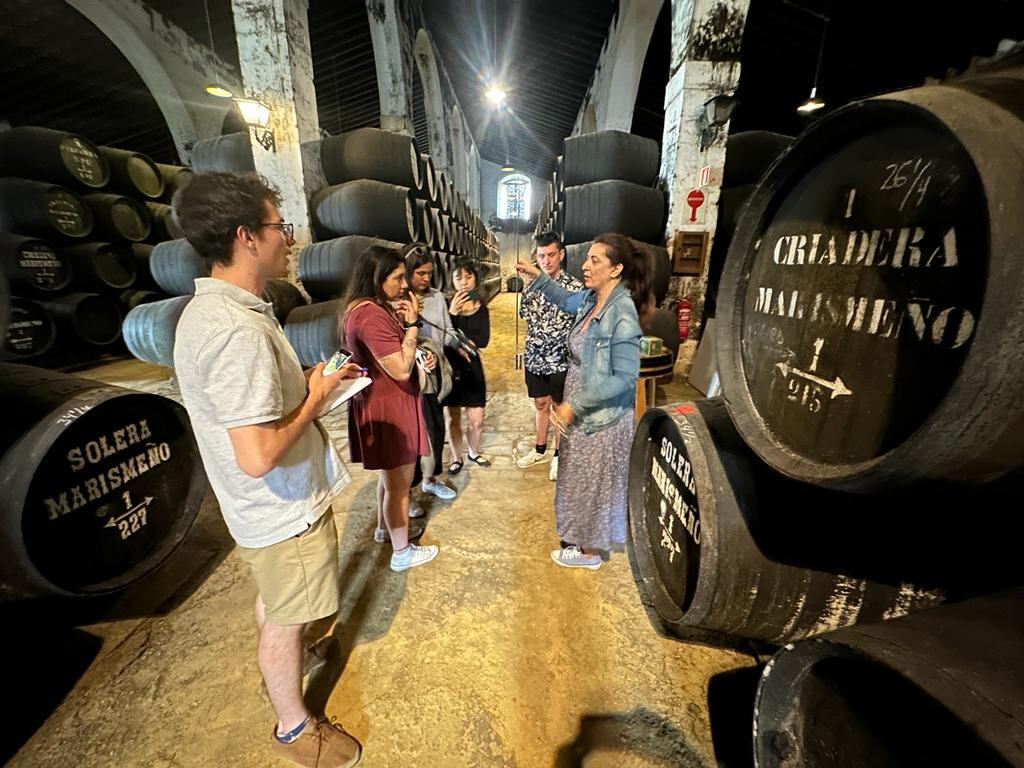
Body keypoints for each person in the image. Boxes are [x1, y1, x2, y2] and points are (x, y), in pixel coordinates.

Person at [172, 171, 363, 768]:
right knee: (288, 614)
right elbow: (257, 456)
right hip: (281, 507)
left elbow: (252, 420)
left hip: (262, 512)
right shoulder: (235, 332)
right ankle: (294, 727)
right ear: (245, 236)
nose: (288, 238)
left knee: (278, 602)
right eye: (279, 226)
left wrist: (312, 389)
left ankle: (290, 664)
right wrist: (314, 398)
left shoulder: (217, 312)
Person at [516, 233, 651, 570]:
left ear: (616, 269)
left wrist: (575, 404)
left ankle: (589, 552)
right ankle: (581, 539)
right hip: (582, 399)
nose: (585, 265)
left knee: (594, 479)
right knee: (580, 474)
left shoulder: (622, 313)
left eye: (595, 260)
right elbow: (565, 299)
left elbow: (623, 376)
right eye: (587, 258)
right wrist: (538, 278)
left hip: (601, 413)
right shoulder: (594, 300)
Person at [341, 245, 440, 572]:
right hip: (391, 406)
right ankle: (402, 552)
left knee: (388, 479)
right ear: (377, 278)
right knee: (399, 485)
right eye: (397, 278)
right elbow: (399, 368)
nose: (404, 284)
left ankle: (386, 530)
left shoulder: (360, 308)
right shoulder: (370, 315)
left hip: (381, 403)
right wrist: (412, 326)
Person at [515, 232, 583, 481]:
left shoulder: (574, 287)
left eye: (551, 255)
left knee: (558, 407)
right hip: (535, 356)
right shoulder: (530, 286)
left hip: (561, 359)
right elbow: (525, 316)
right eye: (541, 256)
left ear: (561, 254)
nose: (546, 261)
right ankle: (539, 449)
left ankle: (558, 455)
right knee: (540, 404)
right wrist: (526, 284)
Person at [404, 243, 464, 499]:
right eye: (420, 273)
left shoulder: (437, 296)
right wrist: (418, 356)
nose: (426, 278)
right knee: (416, 434)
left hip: (436, 371)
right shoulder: (400, 300)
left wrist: (461, 344)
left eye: (429, 273)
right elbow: (400, 339)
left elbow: (446, 330)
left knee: (436, 429)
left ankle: (429, 479)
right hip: (411, 375)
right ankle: (408, 493)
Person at [443, 257, 491, 474]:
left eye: (468, 276)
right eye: (458, 277)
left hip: (472, 367)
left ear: (475, 279)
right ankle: (456, 458)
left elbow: (483, 340)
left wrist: (464, 341)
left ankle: (473, 451)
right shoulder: (445, 306)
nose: (464, 282)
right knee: (452, 418)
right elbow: (444, 337)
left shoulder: (481, 307)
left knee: (477, 420)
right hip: (451, 368)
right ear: (452, 280)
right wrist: (452, 313)